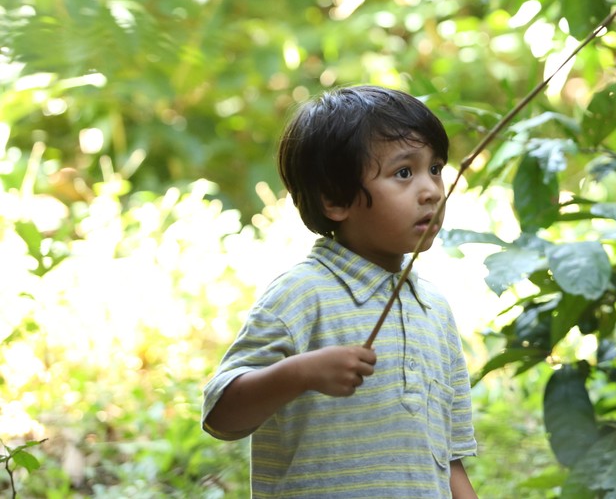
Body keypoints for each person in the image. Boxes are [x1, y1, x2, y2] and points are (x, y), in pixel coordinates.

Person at [202, 85, 479, 498]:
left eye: (435, 168)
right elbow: (222, 415)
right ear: (335, 198)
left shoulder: (434, 310)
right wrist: (301, 373)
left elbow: (449, 455)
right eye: (404, 172)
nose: (432, 190)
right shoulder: (301, 295)